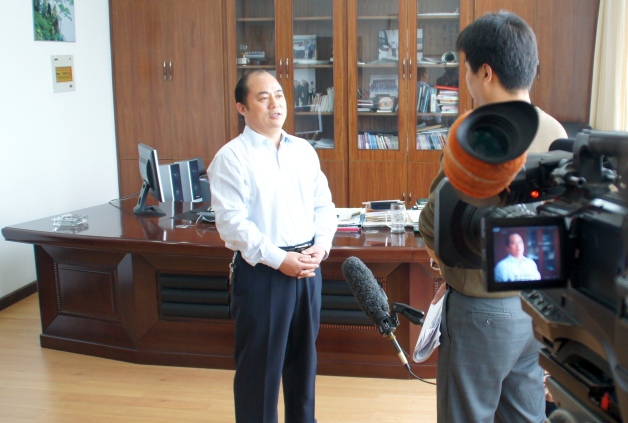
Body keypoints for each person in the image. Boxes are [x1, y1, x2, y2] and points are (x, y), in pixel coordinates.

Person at [418, 11, 568, 423]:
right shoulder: (556, 131)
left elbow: (433, 223)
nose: (466, 79)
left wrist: (441, 264)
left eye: (466, 69)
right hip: (537, 309)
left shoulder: (474, 134)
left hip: (481, 311)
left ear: (485, 72)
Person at [208, 70, 337, 423]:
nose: (275, 103)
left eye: (279, 95)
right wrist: (280, 259)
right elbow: (232, 225)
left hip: (307, 269)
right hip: (263, 273)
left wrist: (321, 246)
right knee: (259, 374)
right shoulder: (231, 157)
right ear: (242, 108)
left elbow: (324, 205)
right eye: (263, 97)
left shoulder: (304, 150)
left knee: (303, 367)